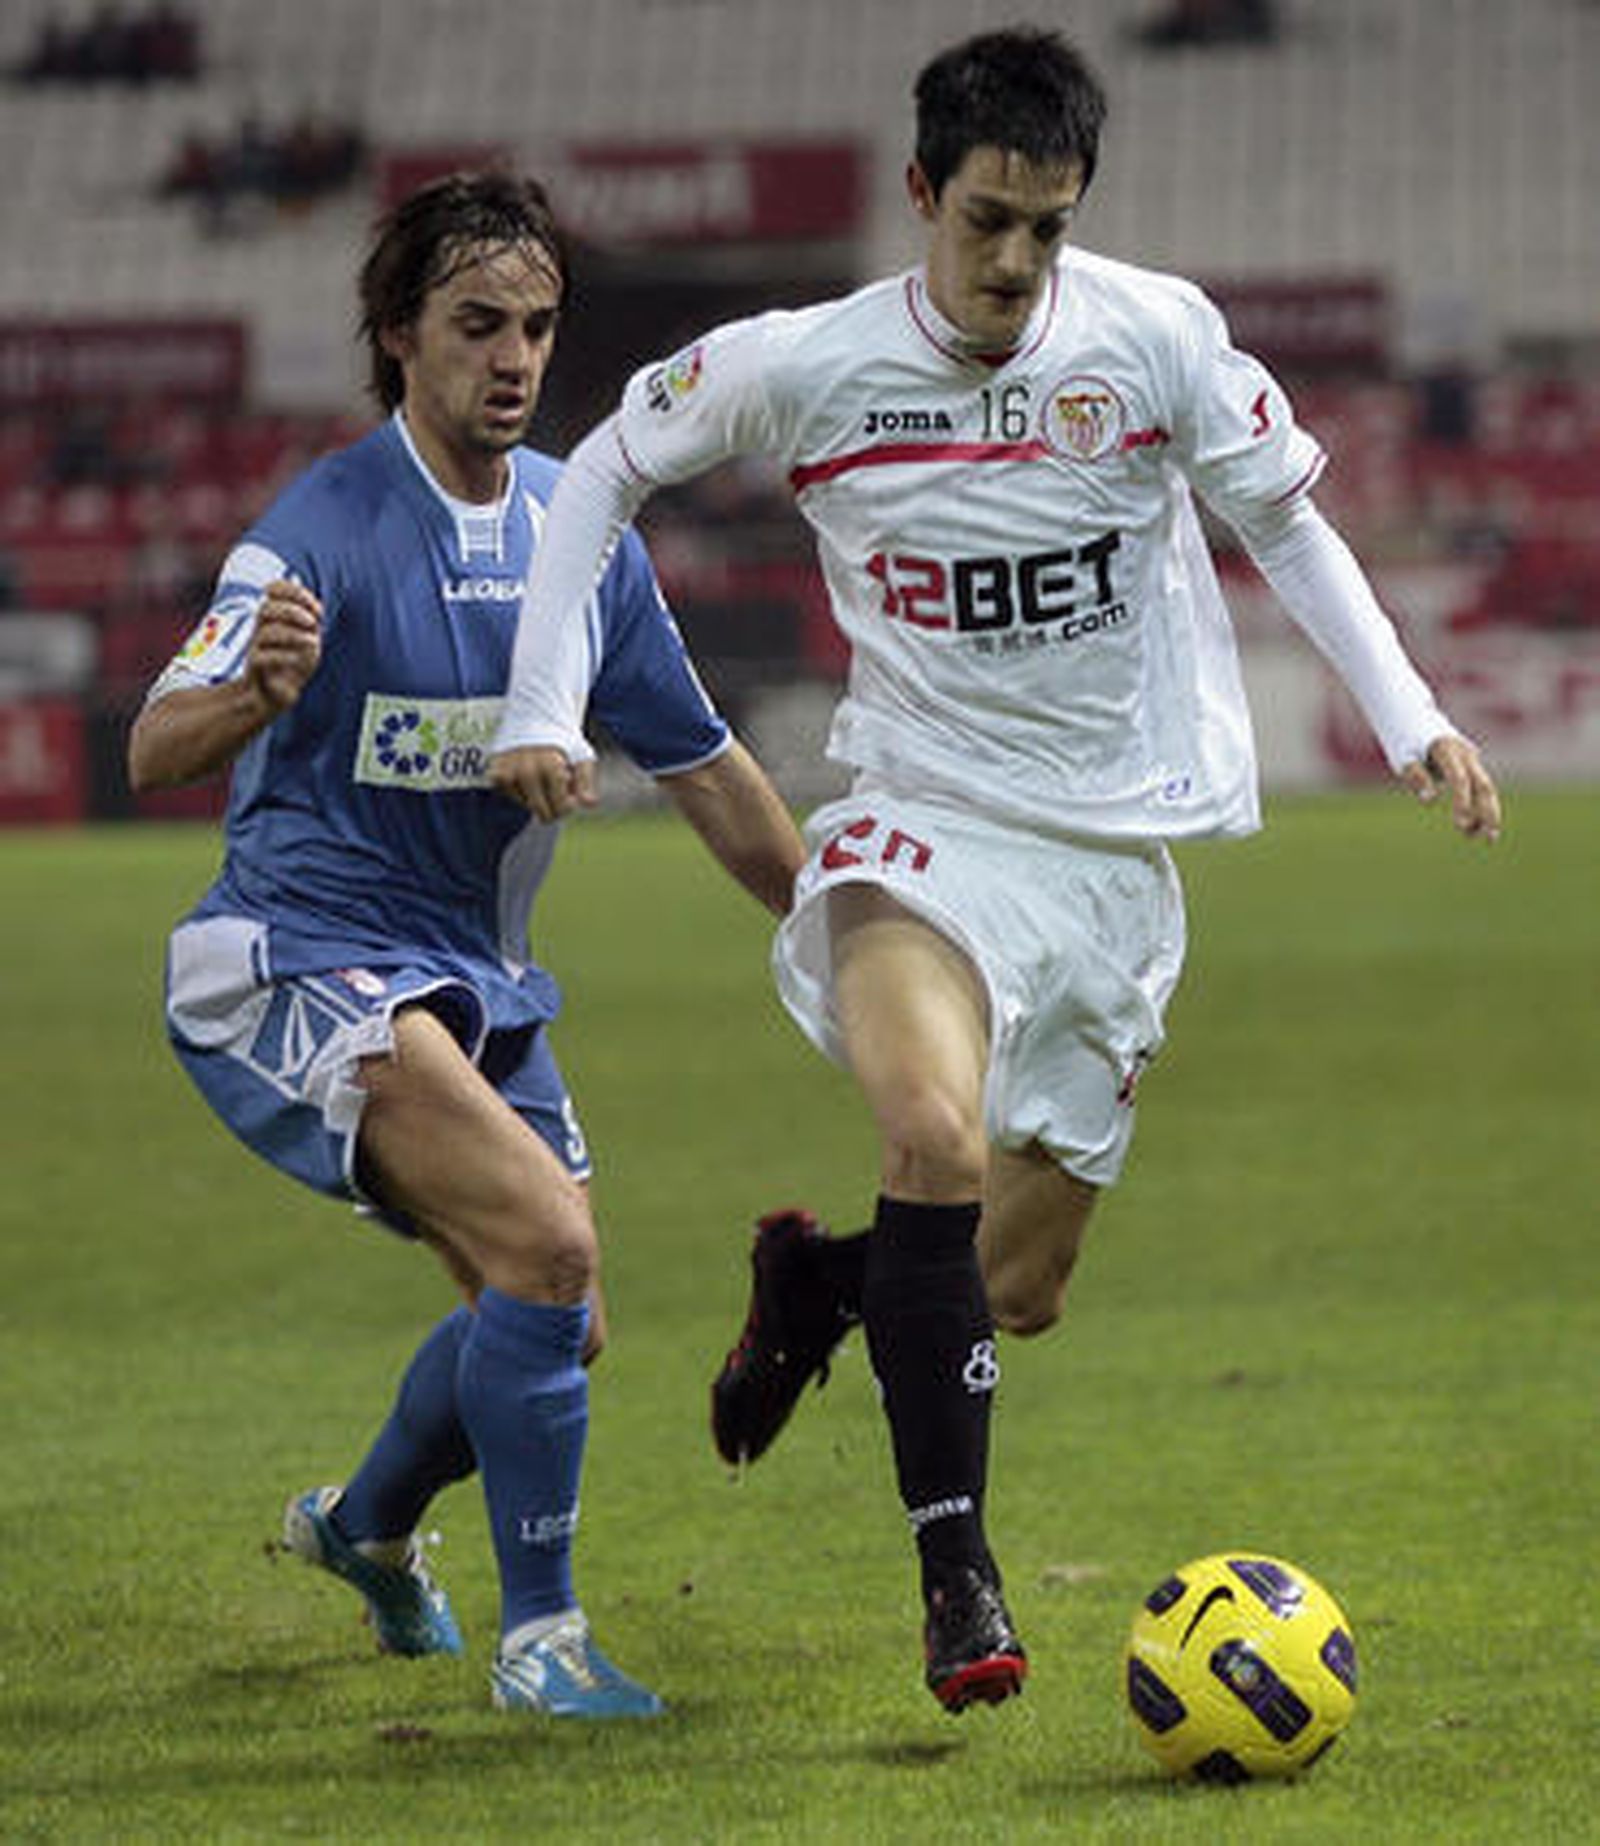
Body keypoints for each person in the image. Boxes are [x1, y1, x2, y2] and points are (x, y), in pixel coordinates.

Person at [488, 27, 1502, 1715]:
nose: (1020, 262)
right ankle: (959, 1573)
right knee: (932, 1137)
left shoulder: (1154, 336)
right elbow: (601, 468)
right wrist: (541, 698)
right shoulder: (809, 364)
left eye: (1049, 225)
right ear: (919, 196)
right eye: (988, 222)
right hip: (919, 821)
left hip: (1111, 861)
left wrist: (1409, 720)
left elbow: (1288, 523)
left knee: (1012, 1284)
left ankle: (823, 1281)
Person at [127, 171, 805, 1720]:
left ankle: (365, 1527)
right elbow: (159, 745)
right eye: (477, 323)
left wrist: (850, 927)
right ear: (399, 337)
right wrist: (256, 690)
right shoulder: (321, 531)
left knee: (559, 1307)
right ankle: (541, 1638)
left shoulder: (584, 538)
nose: (513, 356)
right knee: (551, 1251)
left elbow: (709, 771)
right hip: (294, 954)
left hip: (466, 979)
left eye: (538, 325)